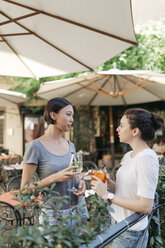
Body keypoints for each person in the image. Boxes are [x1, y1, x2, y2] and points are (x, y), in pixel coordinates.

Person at [91, 108, 164, 248]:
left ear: (135, 131)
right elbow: (124, 190)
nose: (117, 129)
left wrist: (107, 195)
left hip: (129, 231)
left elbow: (146, 206)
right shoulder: (128, 155)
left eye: (122, 125)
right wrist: (108, 182)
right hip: (117, 223)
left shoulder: (146, 157)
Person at [21, 97, 87, 230]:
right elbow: (24, 189)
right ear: (53, 115)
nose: (71, 119)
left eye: (72, 115)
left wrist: (81, 182)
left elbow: (75, 173)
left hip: (77, 209)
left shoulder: (70, 145)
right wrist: (55, 177)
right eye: (68, 114)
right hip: (53, 215)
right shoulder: (35, 147)